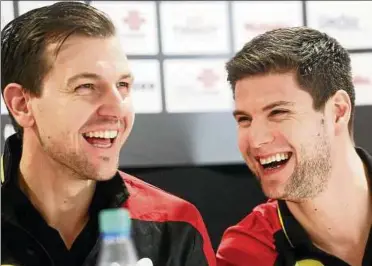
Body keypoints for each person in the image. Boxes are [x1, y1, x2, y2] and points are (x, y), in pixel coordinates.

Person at [1, 2, 215, 266]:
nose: (117, 108)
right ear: (22, 104)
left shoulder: (175, 225)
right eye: (86, 86)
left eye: (122, 85)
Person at [216, 27, 372, 266]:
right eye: (244, 119)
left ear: (338, 111)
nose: (256, 140)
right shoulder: (246, 252)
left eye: (278, 112)